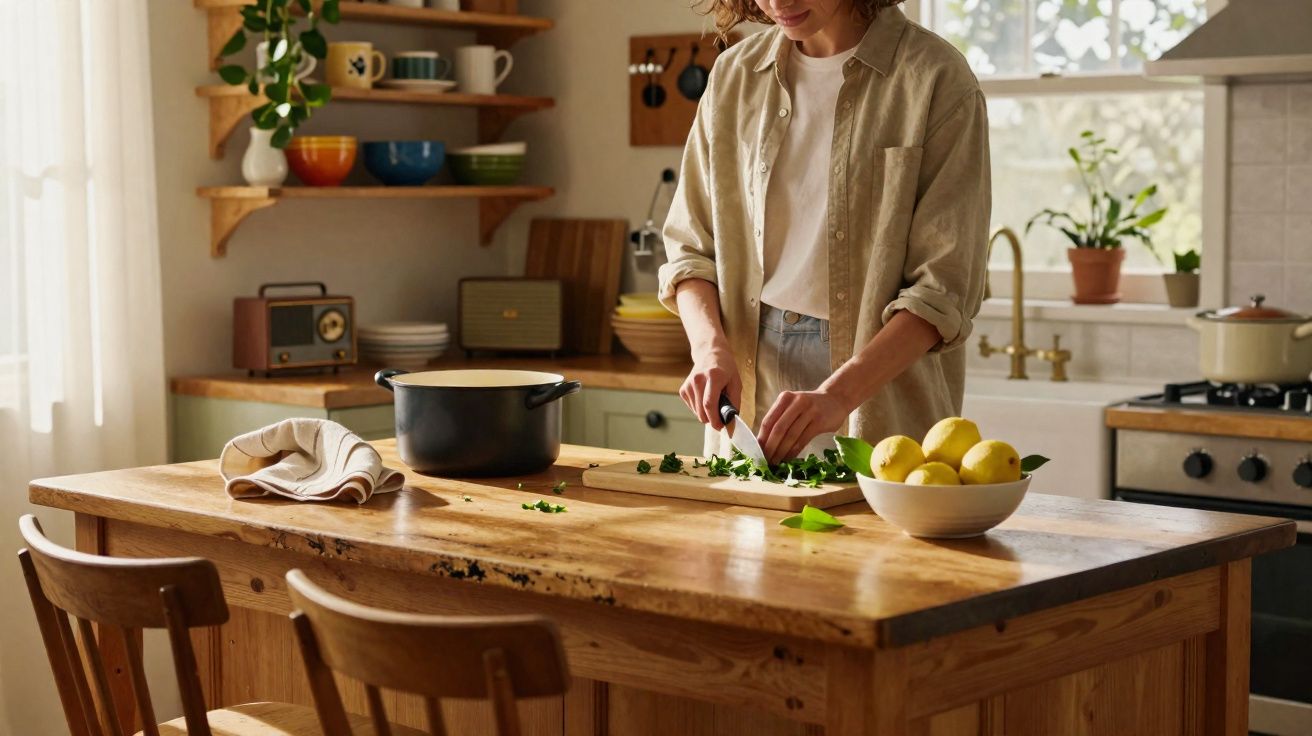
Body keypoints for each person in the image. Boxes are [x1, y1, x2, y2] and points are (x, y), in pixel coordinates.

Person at [658, 0, 991, 464]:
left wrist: (838, 394)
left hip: (877, 380)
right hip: (749, 367)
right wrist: (709, 349)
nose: (778, 3)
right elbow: (690, 248)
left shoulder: (935, 78)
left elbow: (942, 290)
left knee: (872, 533)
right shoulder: (734, 75)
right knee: (744, 535)